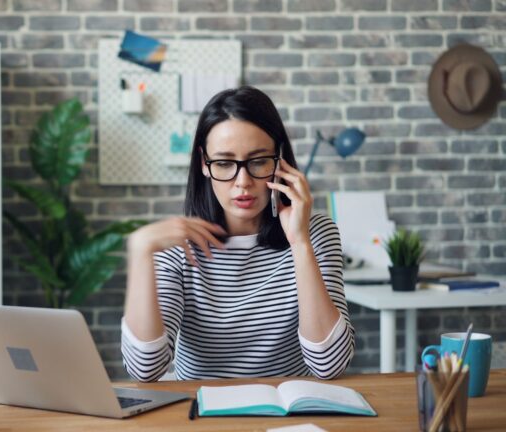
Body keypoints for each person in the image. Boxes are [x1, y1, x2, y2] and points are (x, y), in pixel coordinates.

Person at [121, 86, 354, 382]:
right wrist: (140, 252)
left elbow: (330, 365)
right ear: (204, 164)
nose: (242, 182)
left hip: (291, 415)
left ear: (279, 160)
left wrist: (299, 242)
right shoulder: (176, 246)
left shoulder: (316, 233)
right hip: (202, 416)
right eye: (224, 163)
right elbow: (145, 369)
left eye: (257, 161)